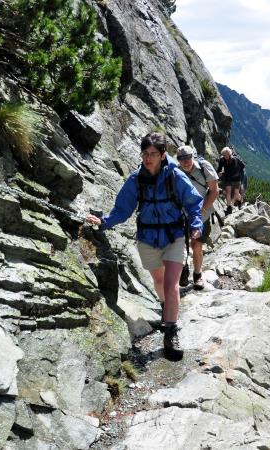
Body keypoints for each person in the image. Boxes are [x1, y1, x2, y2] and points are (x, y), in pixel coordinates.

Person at [86, 132, 203, 360]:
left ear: (162, 155)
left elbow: (192, 203)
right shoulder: (136, 179)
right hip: (148, 238)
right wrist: (104, 222)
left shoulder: (175, 176)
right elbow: (123, 209)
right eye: (144, 154)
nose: (147, 158)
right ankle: (166, 307)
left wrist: (196, 225)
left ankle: (170, 331)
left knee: (171, 286)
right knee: (159, 282)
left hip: (174, 236)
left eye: (152, 154)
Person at [176, 145, 218, 290]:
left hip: (202, 214)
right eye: (182, 159)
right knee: (180, 244)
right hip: (182, 214)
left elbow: (214, 191)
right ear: (178, 160)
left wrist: (202, 210)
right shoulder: (175, 171)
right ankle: (183, 270)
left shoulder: (204, 167)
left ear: (193, 156)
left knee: (197, 245)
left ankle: (197, 275)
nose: (186, 162)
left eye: (188, 158)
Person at [217, 146, 246, 215]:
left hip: (236, 178)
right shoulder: (222, 159)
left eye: (226, 155)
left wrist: (222, 174)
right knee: (228, 193)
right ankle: (229, 208)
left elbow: (232, 171)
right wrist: (217, 173)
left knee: (236, 193)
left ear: (230, 154)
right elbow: (219, 168)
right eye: (224, 155)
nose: (225, 156)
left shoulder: (234, 160)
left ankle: (239, 204)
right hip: (228, 178)